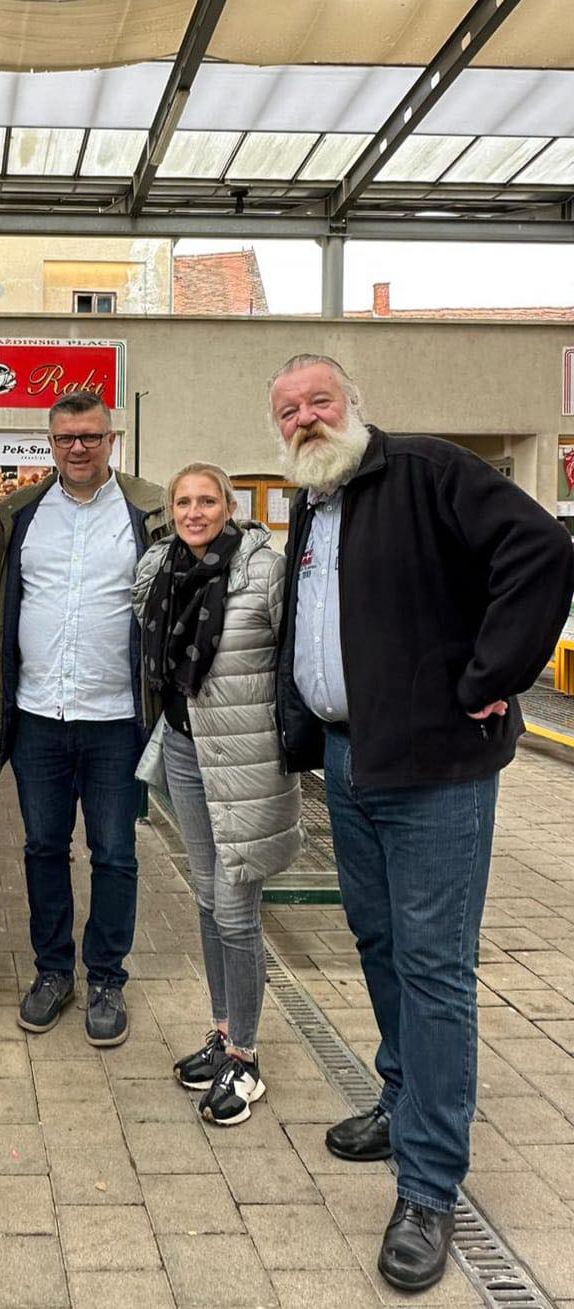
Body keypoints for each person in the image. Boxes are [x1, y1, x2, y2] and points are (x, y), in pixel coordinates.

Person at [271, 354, 574, 1292]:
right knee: (377, 940)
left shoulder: (427, 472)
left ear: (354, 405)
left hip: (436, 769)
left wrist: (490, 676)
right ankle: (403, 1098)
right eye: (288, 410)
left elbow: (543, 551)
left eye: (319, 400)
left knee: (434, 967)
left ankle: (430, 1185)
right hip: (349, 758)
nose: (305, 418)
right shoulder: (314, 505)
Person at [0, 391, 165, 1046]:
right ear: (49, 443)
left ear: (111, 439)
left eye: (90, 436)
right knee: (43, 848)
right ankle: (53, 971)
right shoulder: (22, 513)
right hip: (38, 718)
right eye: (64, 438)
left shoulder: (148, 511)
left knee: (115, 852)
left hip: (117, 720)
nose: (77, 448)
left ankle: (106, 977)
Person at [133, 463, 303, 1125]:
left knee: (235, 912)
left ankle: (246, 1058)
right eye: (183, 501)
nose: (194, 512)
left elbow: (292, 659)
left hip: (246, 762)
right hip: (185, 749)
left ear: (229, 507)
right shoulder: (161, 568)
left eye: (207, 500)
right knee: (206, 899)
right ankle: (223, 1030)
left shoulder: (263, 570)